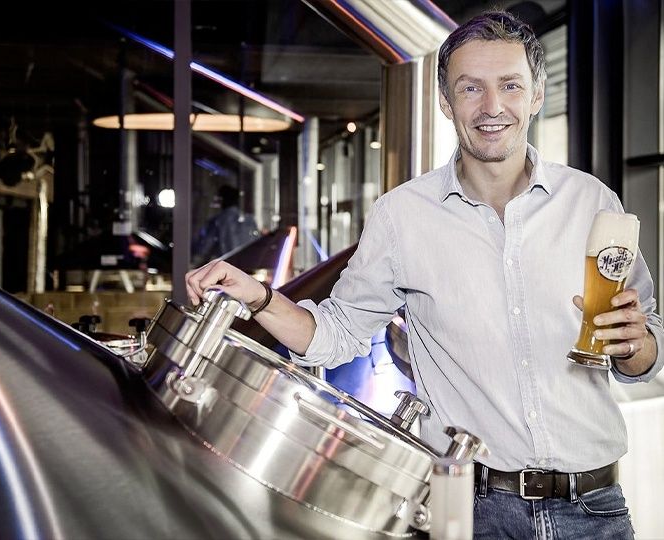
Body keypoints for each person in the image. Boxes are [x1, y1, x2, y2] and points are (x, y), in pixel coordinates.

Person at [186, 11, 663, 539]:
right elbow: (336, 336)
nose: (491, 107)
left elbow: (645, 345)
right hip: (472, 511)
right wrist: (258, 298)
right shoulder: (402, 216)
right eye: (470, 88)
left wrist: (637, 346)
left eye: (509, 85)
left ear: (535, 96)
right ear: (444, 101)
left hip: (594, 511)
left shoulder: (592, 201)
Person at [192, 184, 259, 265]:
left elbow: (204, 249)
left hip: (227, 269)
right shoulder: (249, 219)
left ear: (222, 200)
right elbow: (256, 244)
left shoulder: (217, 221)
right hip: (248, 268)